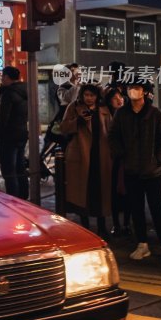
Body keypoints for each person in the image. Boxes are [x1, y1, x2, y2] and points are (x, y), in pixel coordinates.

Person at [109, 81, 161, 263]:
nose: (133, 91)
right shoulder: (122, 113)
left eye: (137, 88)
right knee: (136, 208)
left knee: (157, 209)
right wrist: (120, 154)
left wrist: (158, 160)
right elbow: (113, 135)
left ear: (145, 92)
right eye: (131, 88)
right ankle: (142, 244)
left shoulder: (155, 113)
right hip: (131, 169)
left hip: (152, 171)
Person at [60, 83, 112, 237]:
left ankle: (102, 226)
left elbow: (111, 129)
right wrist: (78, 122)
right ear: (82, 96)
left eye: (92, 95)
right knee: (83, 191)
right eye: (86, 95)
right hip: (81, 155)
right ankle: (85, 227)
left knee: (100, 191)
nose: (89, 98)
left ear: (97, 96)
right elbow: (63, 128)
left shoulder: (104, 110)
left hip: (101, 155)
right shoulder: (73, 107)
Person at [0, 66, 28, 200]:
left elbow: (3, 117)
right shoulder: (25, 90)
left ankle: (13, 199)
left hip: (8, 136)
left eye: (2, 77)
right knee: (20, 167)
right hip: (21, 133)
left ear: (7, 77)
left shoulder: (8, 93)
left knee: (9, 170)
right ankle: (24, 195)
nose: (1, 79)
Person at [104, 85, 130, 236]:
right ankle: (116, 224)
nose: (119, 100)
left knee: (128, 193)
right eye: (115, 98)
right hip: (112, 159)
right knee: (114, 193)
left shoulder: (127, 114)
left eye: (120, 97)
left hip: (126, 159)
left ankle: (126, 223)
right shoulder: (105, 115)